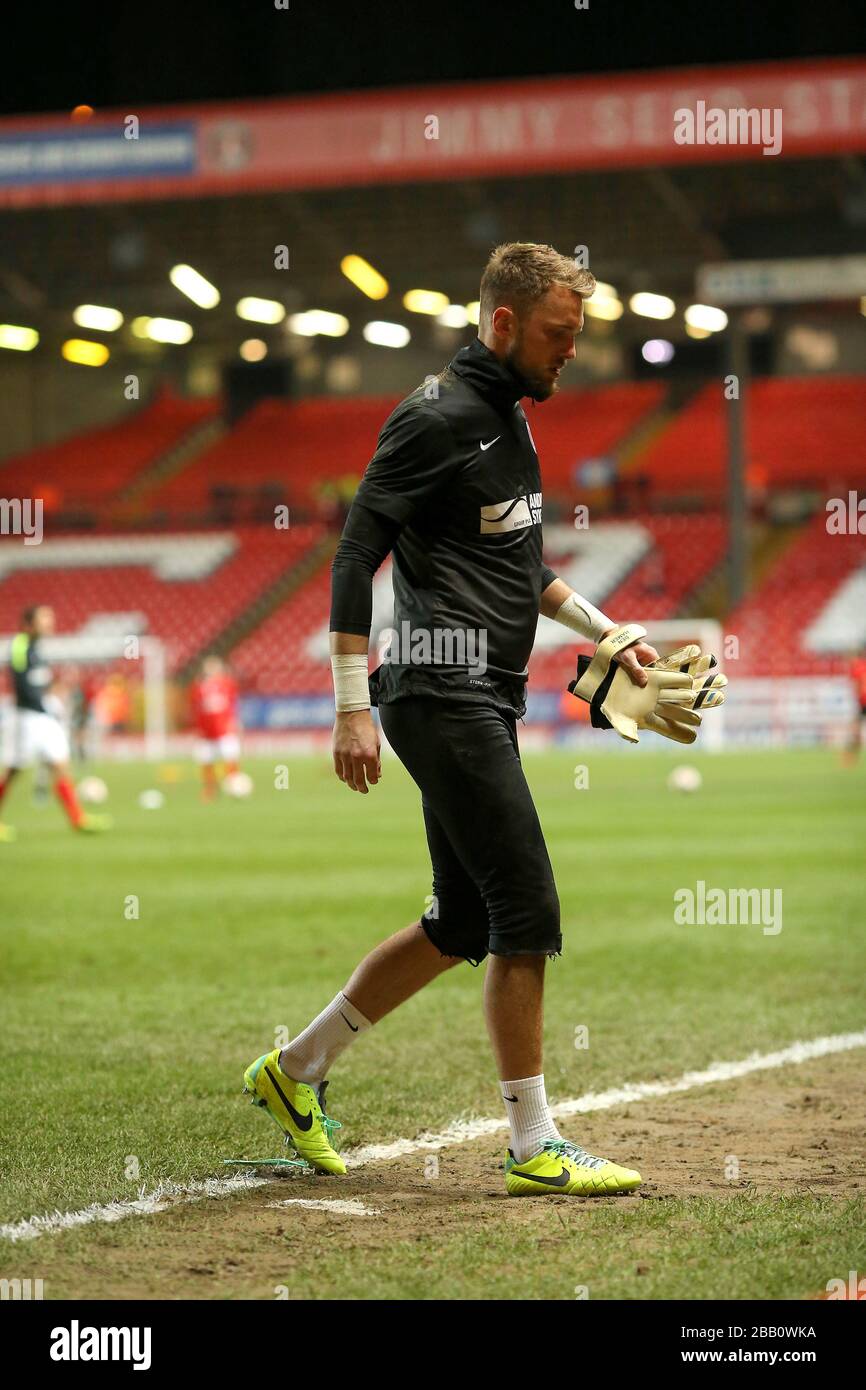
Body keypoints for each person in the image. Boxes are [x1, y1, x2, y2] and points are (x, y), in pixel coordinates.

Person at [243, 243, 657, 1196]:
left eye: (580, 336)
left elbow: (526, 569)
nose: (571, 353)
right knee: (528, 910)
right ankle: (534, 1146)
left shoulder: (512, 421)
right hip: (439, 691)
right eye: (559, 335)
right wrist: (352, 708)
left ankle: (294, 1071)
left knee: (463, 918)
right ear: (504, 323)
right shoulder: (431, 418)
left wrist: (611, 636)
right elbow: (355, 553)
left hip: (483, 695)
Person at [0, 605, 110, 838]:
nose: (50, 623)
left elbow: (37, 682)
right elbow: (21, 684)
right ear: (28, 624)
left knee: (60, 764)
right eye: (44, 619)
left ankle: (78, 819)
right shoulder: (20, 646)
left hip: (43, 717)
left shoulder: (36, 648)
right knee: (14, 771)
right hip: (27, 718)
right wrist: (42, 703)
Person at [189, 655, 242, 800]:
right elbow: (195, 709)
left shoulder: (228, 684)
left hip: (225, 728)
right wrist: (196, 728)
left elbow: (233, 704)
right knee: (206, 759)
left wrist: (236, 722)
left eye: (214, 666)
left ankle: (233, 786)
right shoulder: (197, 687)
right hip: (206, 731)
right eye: (209, 666)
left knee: (230, 756)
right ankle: (210, 789)